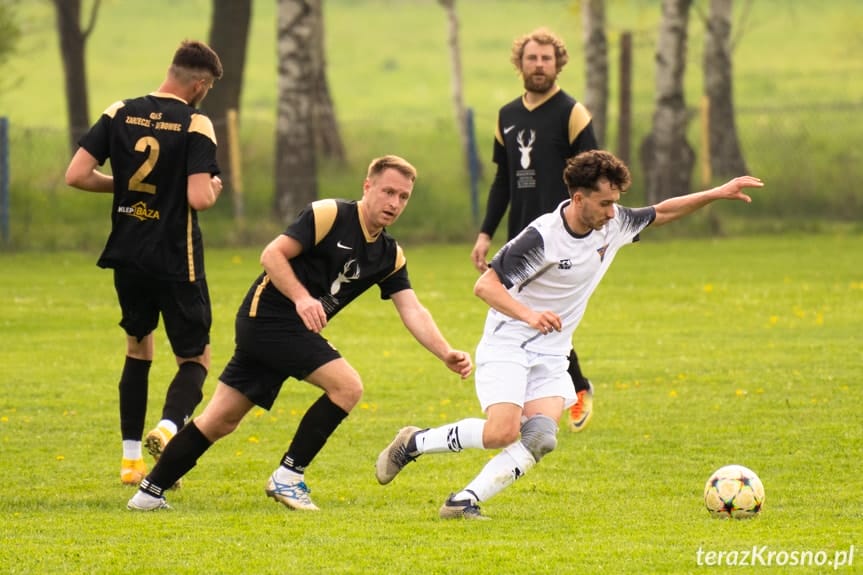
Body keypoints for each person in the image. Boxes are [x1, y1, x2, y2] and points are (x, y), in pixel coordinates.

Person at [377, 150, 764, 519]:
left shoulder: (612, 224)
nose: (613, 212)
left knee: (541, 438)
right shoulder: (542, 237)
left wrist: (716, 193)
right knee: (502, 432)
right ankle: (414, 443)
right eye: (604, 203)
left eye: (615, 203)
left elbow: (662, 211)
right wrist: (529, 315)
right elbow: (486, 287)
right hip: (509, 339)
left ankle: (464, 502)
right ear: (579, 199)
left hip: (551, 351)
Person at [127, 154, 473, 511]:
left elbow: (412, 309)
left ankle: (148, 493)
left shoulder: (388, 254)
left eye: (403, 197)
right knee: (347, 386)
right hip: (267, 317)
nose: (394, 203)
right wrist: (302, 298)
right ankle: (288, 477)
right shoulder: (329, 215)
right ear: (367, 187)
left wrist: (445, 352)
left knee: (220, 420)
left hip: (286, 330)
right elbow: (272, 255)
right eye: (388, 192)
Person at [64, 40, 224, 486]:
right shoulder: (196, 122)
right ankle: (170, 428)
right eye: (206, 87)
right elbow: (198, 197)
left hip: (127, 253)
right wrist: (213, 188)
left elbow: (75, 175)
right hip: (175, 257)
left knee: (138, 348)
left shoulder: (120, 111)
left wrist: (125, 192)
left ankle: (130, 460)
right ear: (199, 83)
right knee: (195, 357)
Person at [470, 27, 600, 433]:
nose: (539, 65)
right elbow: (503, 180)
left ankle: (573, 388)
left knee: (545, 313)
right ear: (520, 64)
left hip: (564, 234)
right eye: (532, 58)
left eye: (546, 58)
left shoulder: (572, 113)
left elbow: (595, 173)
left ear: (558, 63)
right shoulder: (506, 116)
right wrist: (485, 233)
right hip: (522, 238)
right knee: (524, 313)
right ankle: (557, 387)